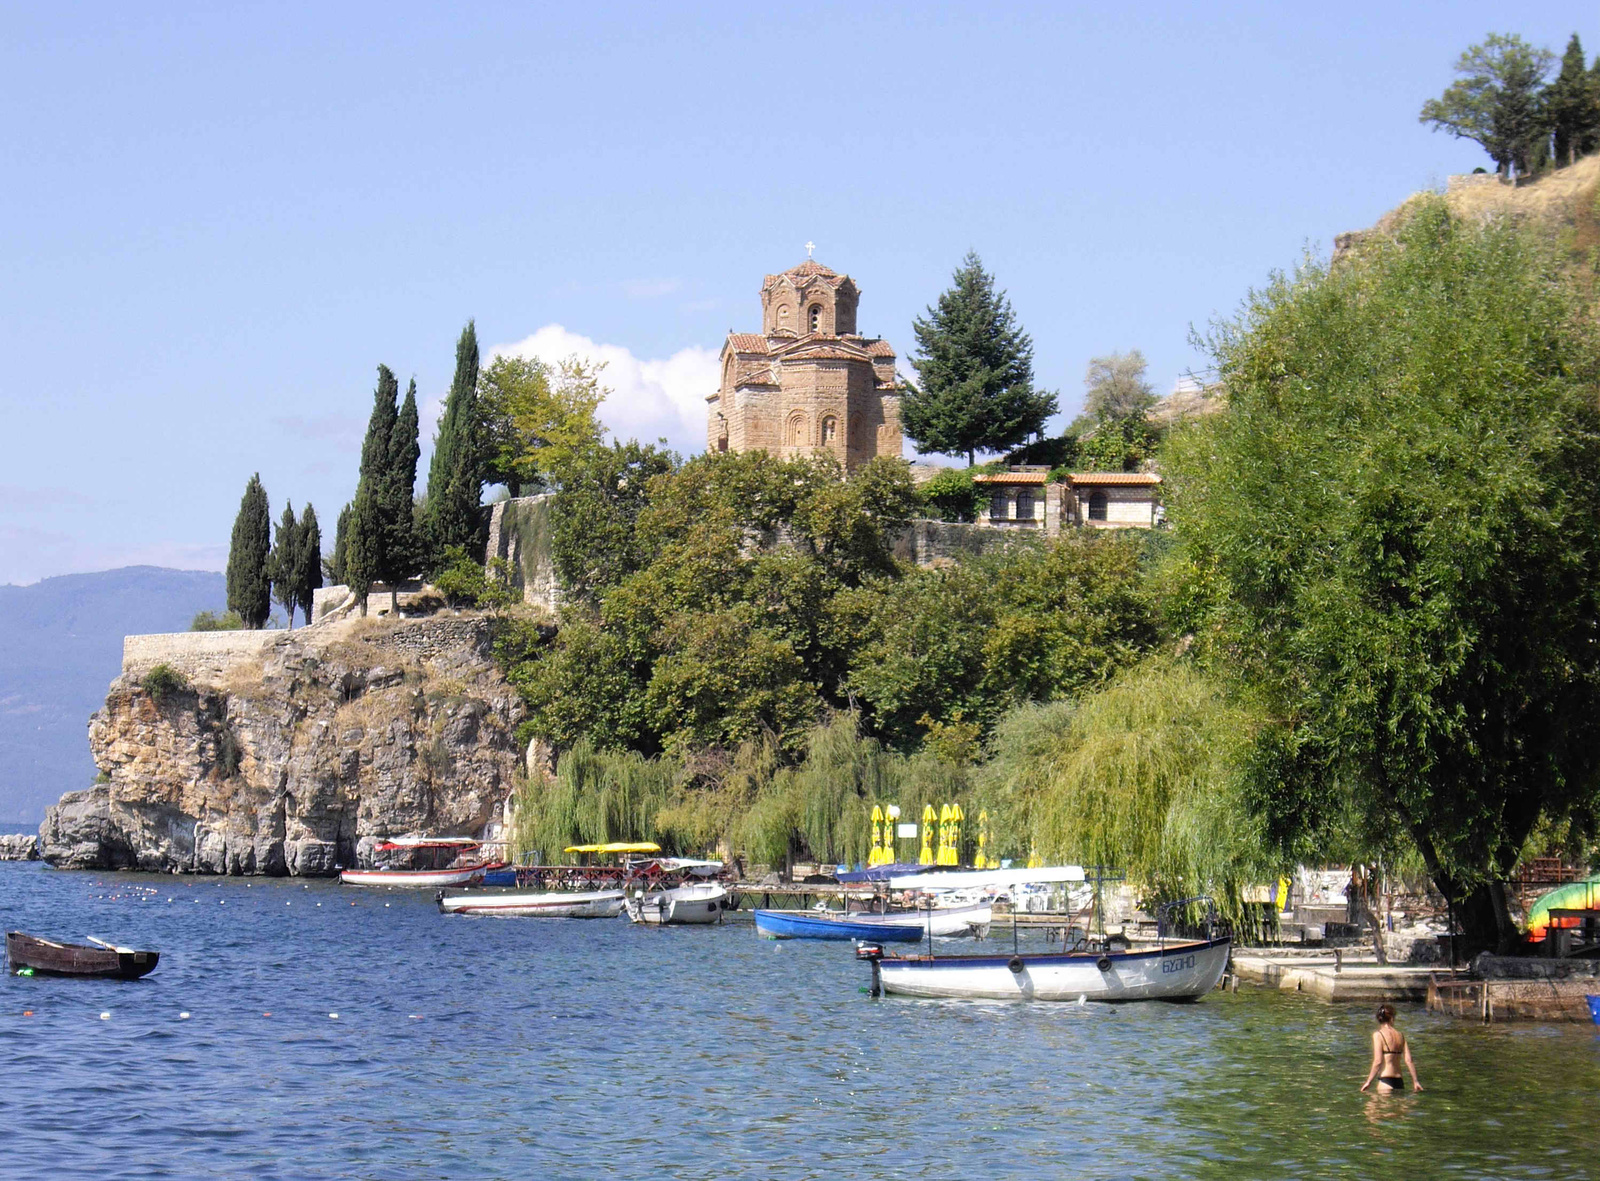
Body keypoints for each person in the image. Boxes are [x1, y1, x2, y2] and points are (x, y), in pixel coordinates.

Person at [1360, 1003, 1422, 1093]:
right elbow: (1409, 1060)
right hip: (1399, 1082)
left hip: (1385, 1081)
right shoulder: (1400, 1035)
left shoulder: (1378, 1035)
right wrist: (1415, 1081)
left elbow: (1378, 1061)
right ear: (1392, 1018)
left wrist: (1368, 1081)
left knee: (1372, 1106)